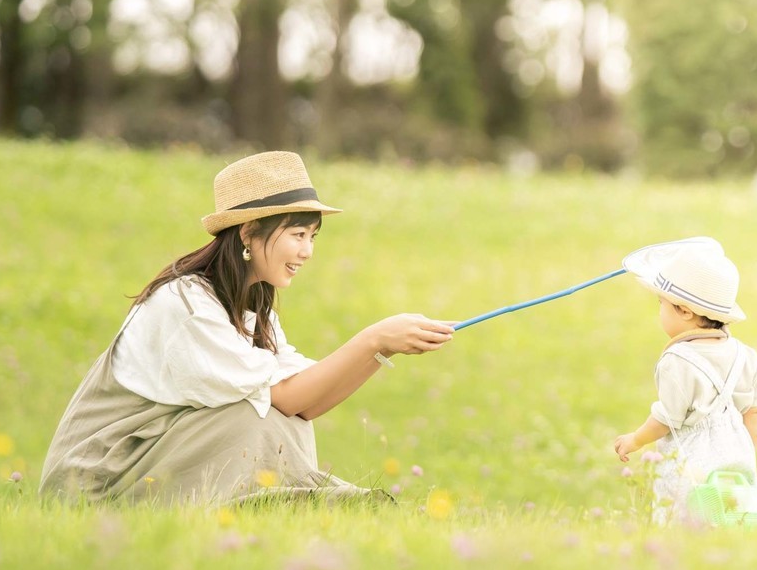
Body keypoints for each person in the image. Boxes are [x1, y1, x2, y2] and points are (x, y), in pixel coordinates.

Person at [40, 151, 455, 505]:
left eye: (312, 236)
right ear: (248, 233)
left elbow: (306, 403)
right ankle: (290, 502)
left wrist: (383, 349)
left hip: (155, 457)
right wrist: (375, 338)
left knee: (280, 419)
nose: (307, 251)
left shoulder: (251, 307)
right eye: (296, 234)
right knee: (251, 416)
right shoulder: (186, 304)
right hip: (95, 481)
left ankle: (287, 503)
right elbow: (289, 396)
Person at [612, 237, 757, 525]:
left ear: (684, 311)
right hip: (738, 462)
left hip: (690, 464)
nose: (660, 311)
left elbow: (667, 418)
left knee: (683, 524)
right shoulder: (747, 356)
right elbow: (754, 412)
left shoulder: (677, 361)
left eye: (662, 304)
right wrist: (743, 453)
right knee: (734, 525)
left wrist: (635, 439)